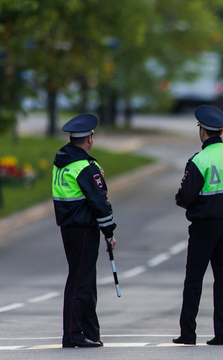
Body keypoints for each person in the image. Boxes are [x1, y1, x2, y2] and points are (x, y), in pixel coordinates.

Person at [173, 105, 223, 346]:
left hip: (204, 227)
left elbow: (185, 197)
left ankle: (188, 333)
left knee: (194, 279)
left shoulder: (200, 159)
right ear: (221, 132)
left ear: (202, 132)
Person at [52, 114, 117, 348]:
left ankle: (90, 331)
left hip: (69, 227)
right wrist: (109, 231)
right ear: (89, 139)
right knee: (80, 281)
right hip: (83, 228)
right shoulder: (86, 167)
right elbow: (99, 202)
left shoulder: (62, 161)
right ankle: (72, 334)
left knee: (86, 280)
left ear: (71, 138)